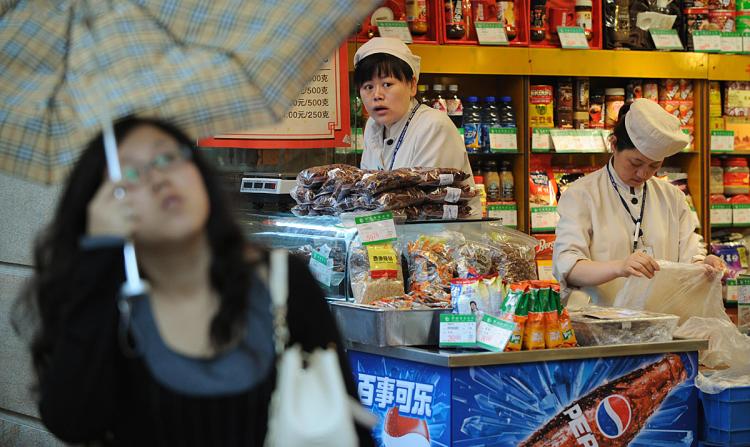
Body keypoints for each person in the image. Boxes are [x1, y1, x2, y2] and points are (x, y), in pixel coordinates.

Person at [13, 117, 374, 446]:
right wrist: (96, 259)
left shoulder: (283, 281)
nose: (159, 178)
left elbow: (348, 427)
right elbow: (72, 421)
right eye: (131, 175)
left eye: (167, 158)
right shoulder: (110, 302)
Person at [553, 99, 724, 306]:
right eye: (635, 163)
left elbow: (689, 256)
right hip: (599, 323)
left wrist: (705, 265)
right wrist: (619, 267)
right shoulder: (582, 194)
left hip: (662, 320)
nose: (643, 173)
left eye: (654, 166)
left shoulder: (672, 197)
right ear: (614, 144)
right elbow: (569, 267)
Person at [353, 37, 473, 177]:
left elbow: (428, 195)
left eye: (387, 84)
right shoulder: (372, 125)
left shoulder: (434, 126)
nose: (377, 95)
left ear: (412, 85)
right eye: (368, 87)